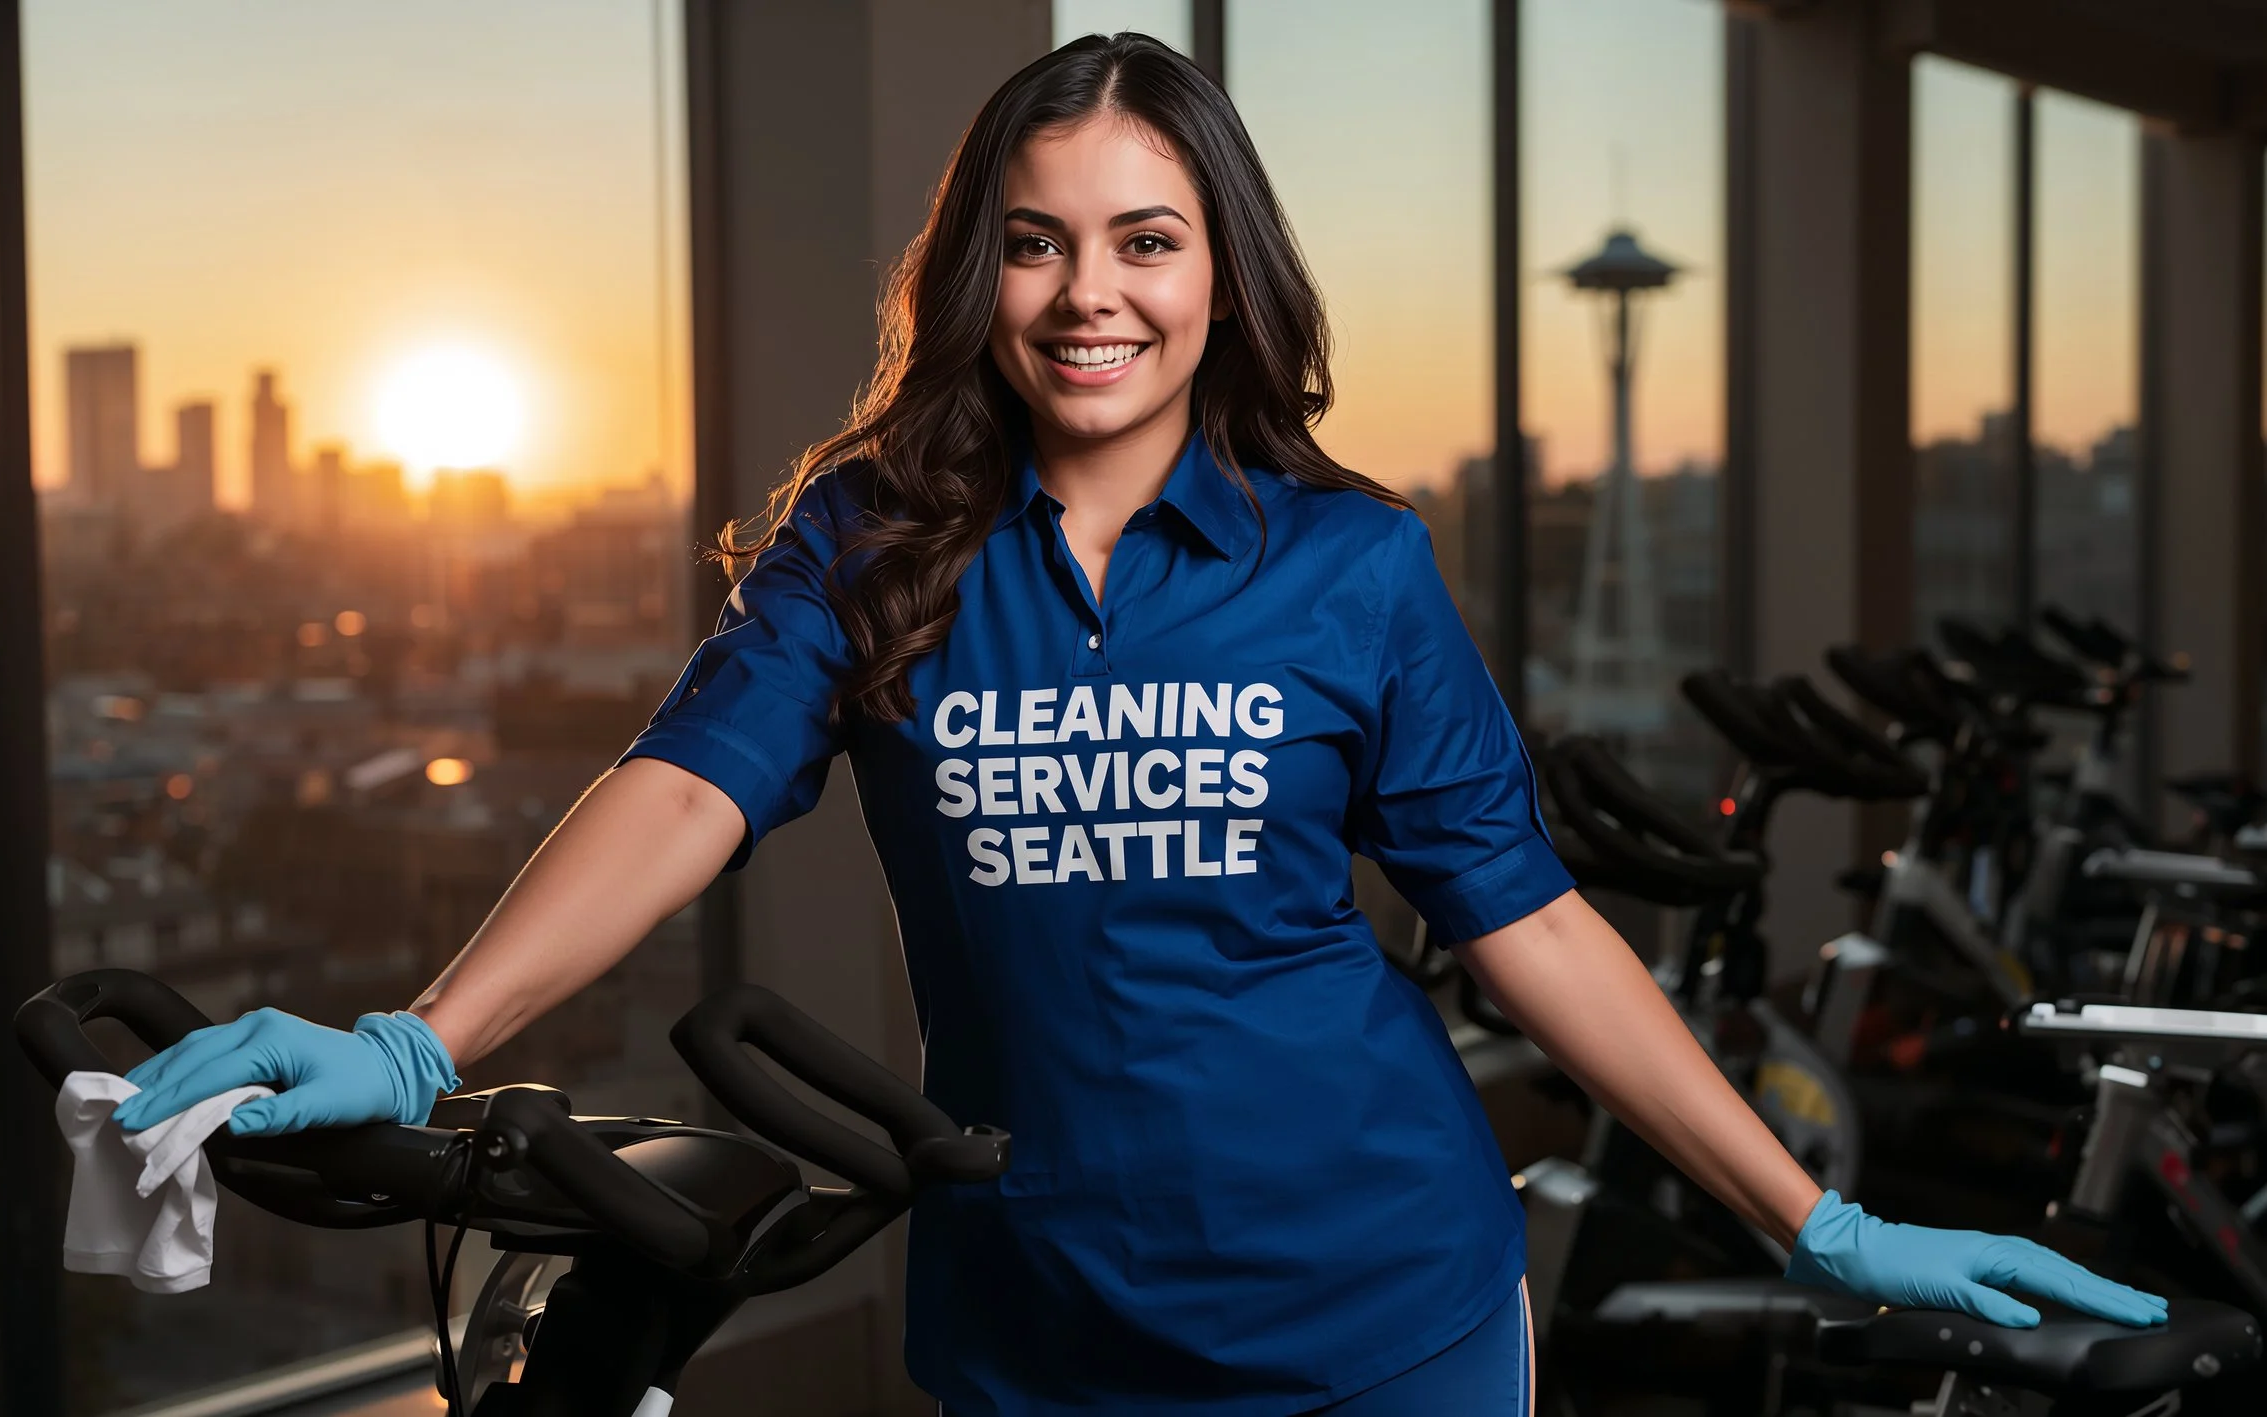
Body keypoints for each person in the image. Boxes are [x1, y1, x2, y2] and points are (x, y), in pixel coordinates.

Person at [113, 32, 2165, 1416]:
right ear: (976, 274)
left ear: (1218, 270)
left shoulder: (1347, 563)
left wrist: (1798, 1214)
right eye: (1035, 243)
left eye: (1144, 241)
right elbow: (683, 786)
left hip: (1386, 1312)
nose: (1088, 295)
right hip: (1035, 1325)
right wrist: (419, 1038)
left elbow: (1523, 923)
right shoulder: (876, 538)